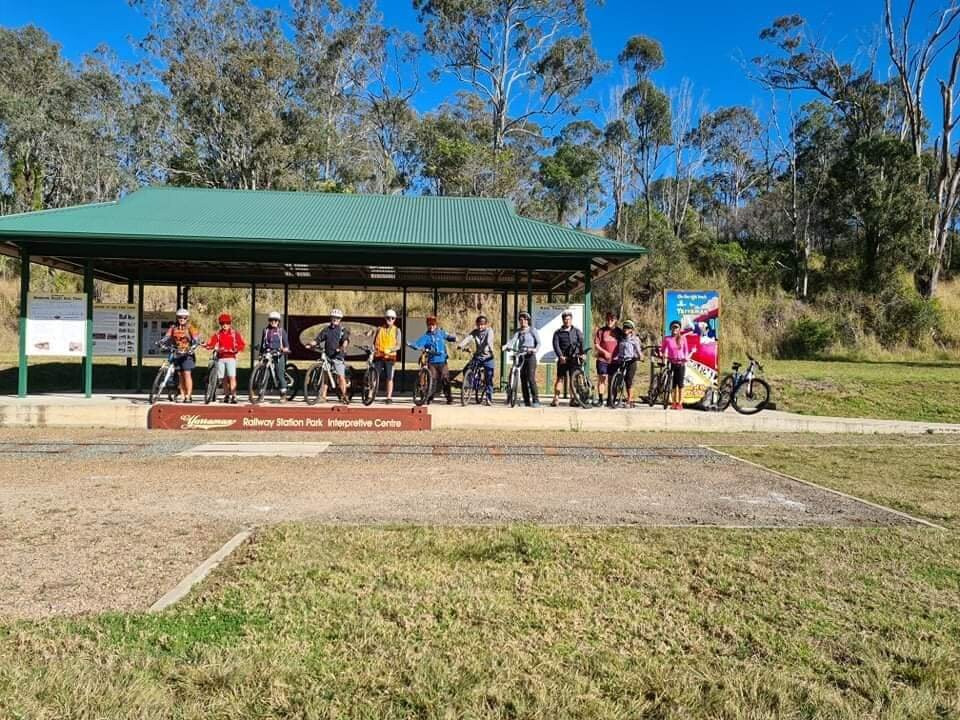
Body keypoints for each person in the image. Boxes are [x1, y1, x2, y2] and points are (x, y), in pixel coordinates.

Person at [410, 315, 457, 404]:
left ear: (436, 325)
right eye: (429, 325)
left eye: (433, 325)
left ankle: (449, 398)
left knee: (445, 378)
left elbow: (449, 337)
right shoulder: (426, 336)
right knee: (433, 379)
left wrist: (453, 338)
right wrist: (413, 345)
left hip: (442, 361)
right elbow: (418, 343)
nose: (431, 327)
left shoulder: (441, 333)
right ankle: (429, 397)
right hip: (432, 362)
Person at [307, 308, 350, 403]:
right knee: (325, 376)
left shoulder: (342, 330)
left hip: (338, 356)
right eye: (334, 318)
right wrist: (310, 344)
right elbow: (318, 339)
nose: (335, 319)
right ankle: (323, 396)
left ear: (340, 319)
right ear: (331, 318)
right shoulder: (326, 330)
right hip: (327, 356)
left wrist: (342, 347)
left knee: (340, 376)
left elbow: (346, 341)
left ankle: (344, 395)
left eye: (337, 318)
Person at [161, 308, 201, 402]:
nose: (182, 319)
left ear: (187, 318)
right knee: (180, 375)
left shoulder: (190, 327)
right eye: (180, 317)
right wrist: (161, 342)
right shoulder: (173, 328)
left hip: (187, 354)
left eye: (184, 317)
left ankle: (189, 395)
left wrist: (194, 346)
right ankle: (182, 395)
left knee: (187, 374)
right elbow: (166, 337)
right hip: (177, 353)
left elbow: (196, 338)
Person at [205, 313, 246, 404]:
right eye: (222, 323)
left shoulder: (235, 334)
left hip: (231, 358)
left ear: (230, 323)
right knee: (223, 378)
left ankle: (234, 396)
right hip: (220, 358)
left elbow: (242, 345)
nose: (225, 325)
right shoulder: (218, 334)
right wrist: (207, 346)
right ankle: (227, 395)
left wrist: (236, 349)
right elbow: (211, 343)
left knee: (232, 377)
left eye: (227, 323)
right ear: (220, 324)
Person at [503, 311, 541, 407]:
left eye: (524, 319)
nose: (522, 321)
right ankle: (526, 400)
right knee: (523, 379)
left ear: (528, 320)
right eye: (521, 319)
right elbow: (512, 340)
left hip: (530, 356)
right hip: (520, 355)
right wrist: (506, 346)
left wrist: (534, 350)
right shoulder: (518, 331)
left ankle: (536, 400)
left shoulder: (532, 330)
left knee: (530, 378)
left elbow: (539, 343)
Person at [458, 314, 496, 405]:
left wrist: (490, 348)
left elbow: (489, 341)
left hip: (488, 357)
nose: (480, 326)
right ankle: (470, 385)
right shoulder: (475, 332)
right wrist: (461, 345)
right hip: (478, 356)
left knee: (489, 377)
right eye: (478, 324)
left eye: (482, 324)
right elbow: (468, 338)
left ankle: (489, 398)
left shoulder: (489, 331)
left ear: (486, 325)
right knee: (466, 369)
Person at [551, 310, 585, 407]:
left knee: (573, 380)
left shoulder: (577, 331)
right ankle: (556, 399)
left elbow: (581, 343)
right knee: (560, 379)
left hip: (574, 358)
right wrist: (560, 356)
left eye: (569, 319)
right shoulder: (558, 333)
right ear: (563, 320)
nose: (567, 321)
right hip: (563, 359)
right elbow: (556, 345)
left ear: (571, 320)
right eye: (565, 319)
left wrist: (582, 354)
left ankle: (573, 399)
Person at [258, 311, 291, 401]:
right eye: (272, 320)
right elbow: (262, 344)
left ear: (278, 321)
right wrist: (260, 354)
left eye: (276, 320)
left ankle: (283, 394)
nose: (273, 322)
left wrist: (284, 349)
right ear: (269, 321)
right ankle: (261, 393)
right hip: (268, 354)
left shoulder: (281, 331)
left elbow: (287, 345)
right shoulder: (265, 330)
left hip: (278, 355)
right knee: (264, 374)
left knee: (279, 374)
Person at [372, 309, 402, 404]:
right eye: (388, 318)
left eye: (392, 318)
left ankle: (389, 397)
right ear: (385, 318)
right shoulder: (379, 329)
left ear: (395, 319)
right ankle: (370, 395)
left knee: (390, 377)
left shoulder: (397, 330)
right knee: (374, 376)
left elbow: (398, 345)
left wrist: (391, 350)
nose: (390, 319)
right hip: (379, 355)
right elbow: (373, 342)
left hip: (390, 357)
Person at [594, 311, 623, 407]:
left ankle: (611, 399)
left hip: (615, 360)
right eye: (608, 319)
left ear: (615, 320)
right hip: (602, 359)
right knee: (602, 378)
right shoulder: (601, 331)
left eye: (612, 319)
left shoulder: (619, 332)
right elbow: (596, 345)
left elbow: (625, 343)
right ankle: (601, 399)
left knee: (612, 380)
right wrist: (604, 352)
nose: (609, 321)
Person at [661, 319, 691, 410]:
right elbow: (662, 349)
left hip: (681, 363)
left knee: (680, 384)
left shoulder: (683, 338)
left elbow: (686, 350)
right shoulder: (667, 339)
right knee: (673, 384)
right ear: (671, 328)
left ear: (679, 329)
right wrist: (661, 354)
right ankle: (673, 403)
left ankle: (680, 403)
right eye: (673, 327)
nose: (675, 329)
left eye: (677, 327)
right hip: (671, 362)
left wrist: (685, 358)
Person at [615, 320, 643, 408]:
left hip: (631, 360)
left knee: (628, 380)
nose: (625, 329)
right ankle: (617, 398)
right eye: (624, 327)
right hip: (622, 360)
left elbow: (638, 350)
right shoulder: (621, 338)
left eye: (628, 328)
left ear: (631, 329)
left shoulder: (635, 339)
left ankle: (629, 399)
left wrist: (640, 357)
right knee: (619, 379)